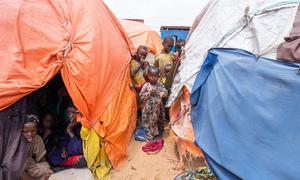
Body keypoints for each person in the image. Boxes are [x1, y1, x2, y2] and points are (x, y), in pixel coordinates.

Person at [47, 103, 86, 169]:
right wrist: (64, 148)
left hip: (80, 152)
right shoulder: (70, 125)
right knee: (53, 157)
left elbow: (83, 148)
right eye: (68, 112)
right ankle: (72, 161)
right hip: (69, 153)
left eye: (73, 112)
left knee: (81, 158)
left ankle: (74, 161)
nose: (70, 115)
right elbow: (65, 141)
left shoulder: (84, 127)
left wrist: (70, 131)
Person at [139, 66, 168, 140]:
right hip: (148, 109)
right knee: (149, 121)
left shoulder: (160, 85)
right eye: (151, 76)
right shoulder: (146, 86)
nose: (153, 78)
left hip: (158, 108)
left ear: (158, 76)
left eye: (155, 76)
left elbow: (166, 93)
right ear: (148, 76)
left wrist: (159, 92)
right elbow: (141, 97)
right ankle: (150, 135)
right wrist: (149, 93)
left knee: (158, 120)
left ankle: (158, 133)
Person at [22, 114, 53, 180]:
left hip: (30, 166)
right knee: (18, 170)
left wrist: (45, 168)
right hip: (17, 166)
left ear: (37, 129)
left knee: (46, 168)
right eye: (26, 131)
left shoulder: (37, 139)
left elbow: (42, 159)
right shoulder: (15, 140)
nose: (29, 134)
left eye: (33, 131)